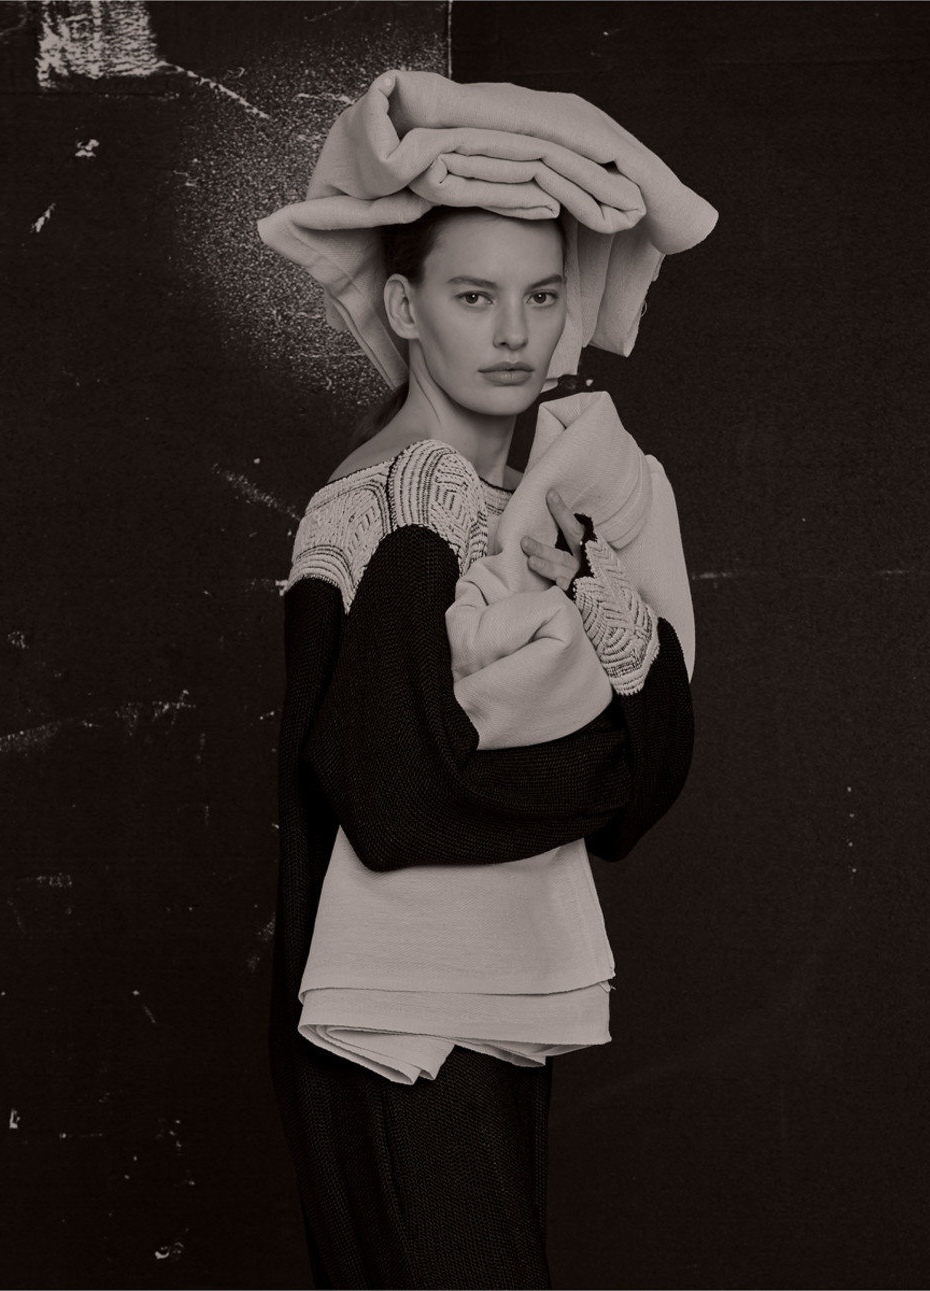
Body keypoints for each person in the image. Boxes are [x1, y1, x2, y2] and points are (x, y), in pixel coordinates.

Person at [257, 69, 716, 1290]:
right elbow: (393, 798)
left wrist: (618, 645)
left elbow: (638, 793)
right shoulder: (376, 511)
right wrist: (423, 546)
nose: (515, 334)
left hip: (491, 1008)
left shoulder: (547, 507)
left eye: (541, 295)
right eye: (474, 296)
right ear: (405, 306)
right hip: (386, 1027)